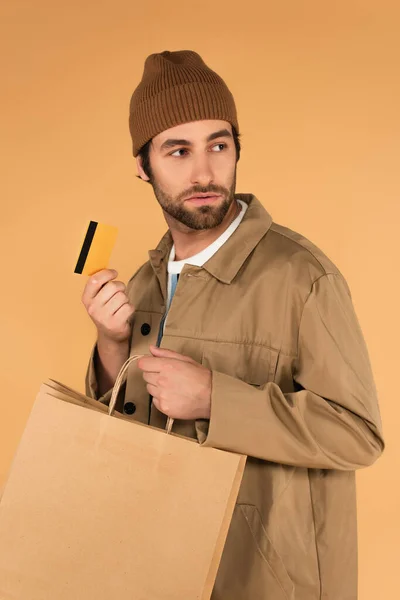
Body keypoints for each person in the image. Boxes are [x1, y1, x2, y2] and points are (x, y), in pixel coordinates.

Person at [82, 50, 384, 599]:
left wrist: (217, 399)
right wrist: (110, 345)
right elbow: (126, 442)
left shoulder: (302, 277)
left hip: (269, 584)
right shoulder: (144, 285)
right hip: (161, 569)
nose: (204, 172)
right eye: (178, 151)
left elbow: (359, 435)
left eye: (219, 146)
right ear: (142, 165)